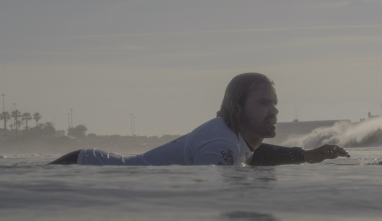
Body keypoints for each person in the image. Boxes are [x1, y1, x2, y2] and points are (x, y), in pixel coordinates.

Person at [49, 73, 349, 166]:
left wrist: (308, 155)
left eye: (275, 103)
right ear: (238, 109)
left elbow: (252, 157)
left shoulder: (231, 140)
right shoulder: (220, 142)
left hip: (86, 166)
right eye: (263, 103)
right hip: (84, 169)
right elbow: (207, 197)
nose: (274, 111)